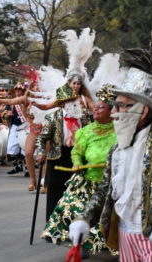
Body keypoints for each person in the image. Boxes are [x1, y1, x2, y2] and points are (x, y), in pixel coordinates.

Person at [69, 44, 152, 261]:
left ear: (143, 110)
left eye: (121, 106)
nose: (114, 114)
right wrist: (85, 218)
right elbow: (105, 188)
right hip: (125, 235)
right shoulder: (117, 149)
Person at [41, 85, 117, 258]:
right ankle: (80, 242)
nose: (96, 109)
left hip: (113, 182)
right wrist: (76, 162)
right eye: (95, 106)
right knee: (75, 209)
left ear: (112, 112)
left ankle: (118, 245)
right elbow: (77, 151)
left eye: (101, 107)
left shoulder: (121, 131)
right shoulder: (84, 131)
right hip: (87, 180)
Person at [36, 82, 89, 221]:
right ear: (62, 103)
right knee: (55, 190)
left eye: (73, 100)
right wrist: (41, 153)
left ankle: (73, 222)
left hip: (77, 157)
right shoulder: (52, 117)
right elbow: (42, 138)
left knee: (75, 191)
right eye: (68, 101)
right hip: (58, 157)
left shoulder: (82, 117)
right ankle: (52, 223)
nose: (72, 103)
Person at [0, 82, 43, 190]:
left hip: (46, 129)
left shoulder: (46, 98)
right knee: (28, 153)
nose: (36, 88)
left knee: (44, 156)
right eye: (34, 86)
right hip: (33, 129)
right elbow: (11, 101)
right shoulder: (25, 99)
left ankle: (45, 181)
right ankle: (33, 180)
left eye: (38, 86)